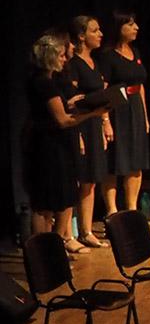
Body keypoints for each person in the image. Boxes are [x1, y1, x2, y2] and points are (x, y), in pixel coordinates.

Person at [24, 32, 110, 253]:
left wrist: (72, 102)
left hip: (57, 145)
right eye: (61, 55)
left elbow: (58, 109)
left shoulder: (47, 80)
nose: (64, 59)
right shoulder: (43, 82)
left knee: (59, 198)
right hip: (47, 147)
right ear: (50, 56)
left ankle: (54, 250)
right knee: (45, 203)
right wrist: (93, 113)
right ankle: (44, 254)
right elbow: (61, 120)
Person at [95, 10, 150, 218]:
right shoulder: (108, 56)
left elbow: (140, 86)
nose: (136, 28)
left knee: (136, 162)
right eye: (130, 25)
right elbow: (104, 89)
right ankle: (112, 212)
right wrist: (105, 120)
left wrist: (144, 116)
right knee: (115, 161)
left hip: (135, 107)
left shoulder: (135, 52)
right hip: (117, 110)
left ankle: (132, 210)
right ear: (119, 28)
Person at [65, 17, 113, 248]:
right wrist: (79, 133)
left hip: (94, 124)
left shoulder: (95, 61)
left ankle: (86, 230)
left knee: (91, 180)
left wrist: (105, 123)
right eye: (95, 30)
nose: (100, 33)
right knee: (77, 179)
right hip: (79, 125)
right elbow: (71, 102)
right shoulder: (73, 63)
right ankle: (68, 234)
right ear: (82, 36)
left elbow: (101, 97)